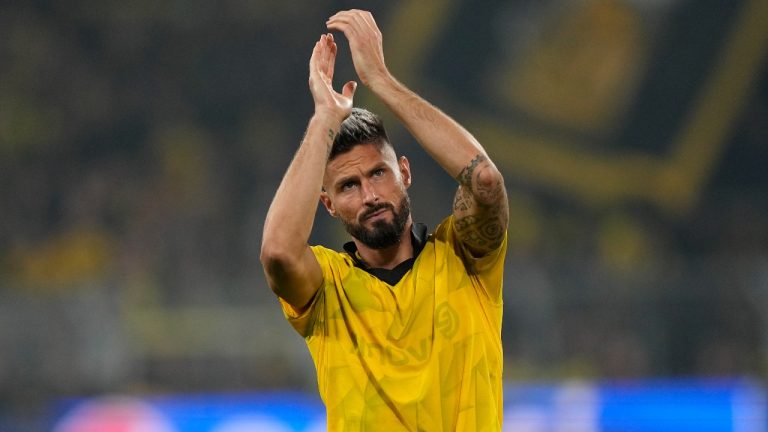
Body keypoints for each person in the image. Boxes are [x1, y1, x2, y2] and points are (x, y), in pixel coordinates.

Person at [260, 9, 509, 431]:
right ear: (329, 204)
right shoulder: (327, 288)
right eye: (348, 186)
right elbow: (279, 252)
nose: (371, 195)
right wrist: (324, 118)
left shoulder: (465, 258)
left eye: (379, 173)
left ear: (405, 173)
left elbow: (483, 179)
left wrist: (381, 81)